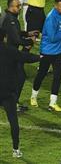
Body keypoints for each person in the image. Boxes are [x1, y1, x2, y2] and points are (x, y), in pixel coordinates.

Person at [0, 30, 40, 158]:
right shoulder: (10, 50)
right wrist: (40, 57)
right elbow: (26, 57)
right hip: (8, 92)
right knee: (13, 122)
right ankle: (15, 150)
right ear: (5, 37)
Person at [30, 0, 61, 112]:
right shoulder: (51, 18)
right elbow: (53, 38)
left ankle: (53, 103)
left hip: (59, 52)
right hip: (47, 52)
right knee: (41, 74)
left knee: (57, 77)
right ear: (56, 6)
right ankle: (33, 96)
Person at [2, 0, 37, 112]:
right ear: (11, 7)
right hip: (10, 54)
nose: (20, 8)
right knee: (19, 77)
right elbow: (16, 39)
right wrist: (29, 41)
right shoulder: (11, 20)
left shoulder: (9, 17)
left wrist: (27, 33)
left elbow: (15, 33)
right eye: (17, 6)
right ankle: (13, 103)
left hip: (8, 53)